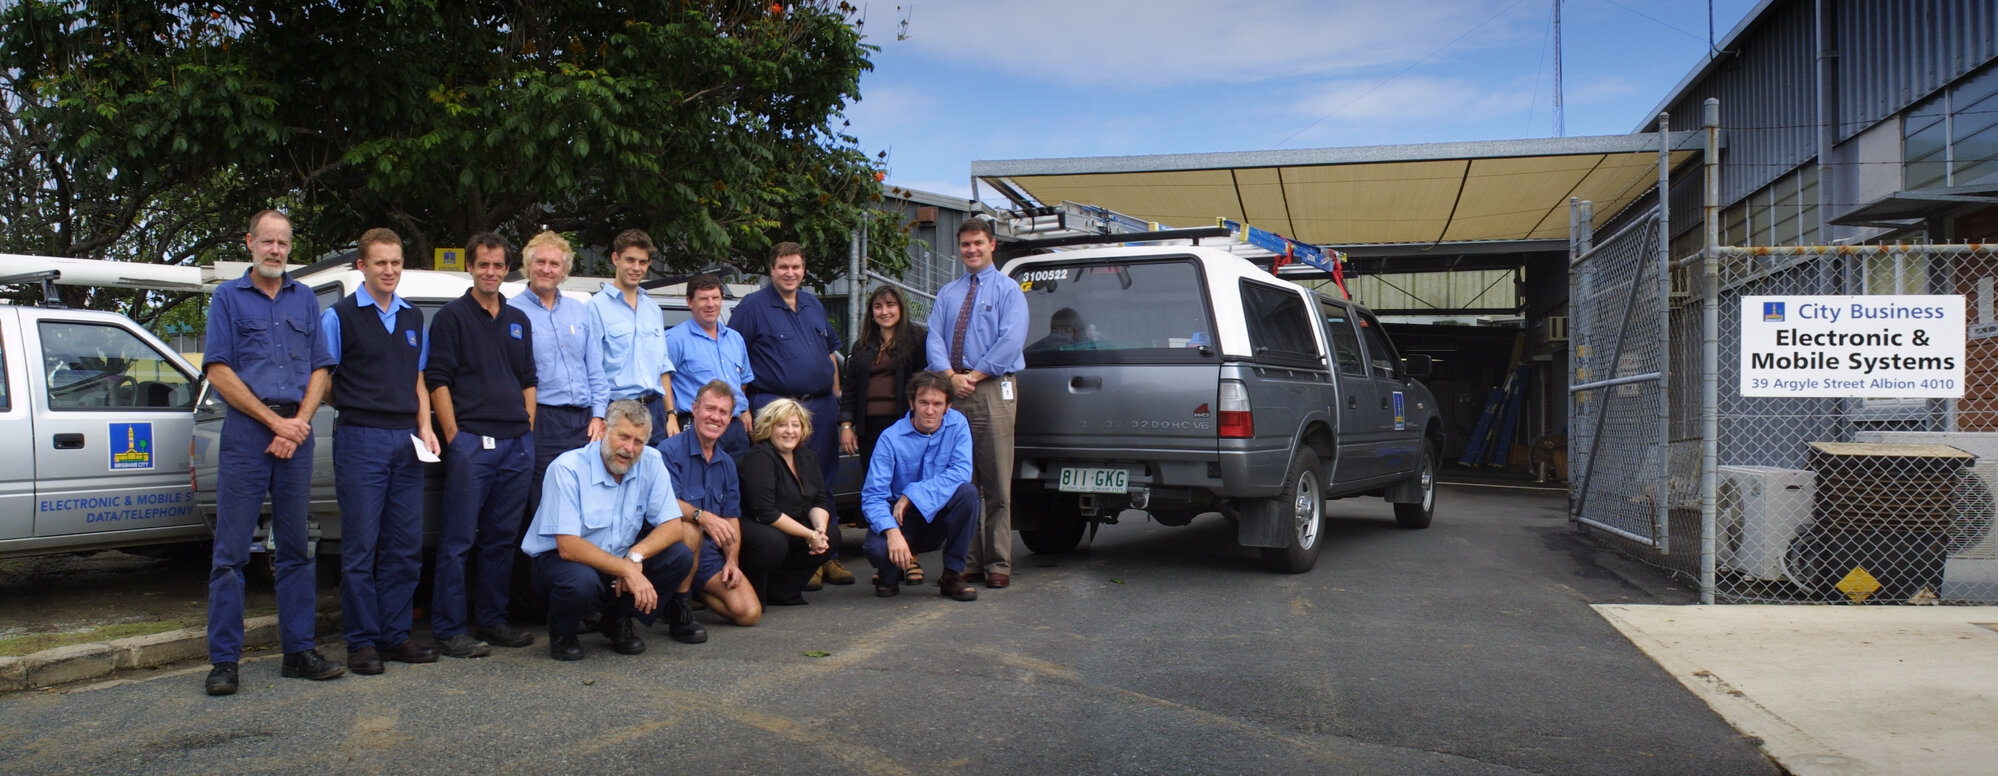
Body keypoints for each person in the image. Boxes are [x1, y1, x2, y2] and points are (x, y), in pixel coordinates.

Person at [201, 209, 343, 695]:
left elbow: (322, 368)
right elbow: (217, 370)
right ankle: (224, 662)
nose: (276, 250)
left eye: (283, 243)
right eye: (268, 241)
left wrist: (298, 423)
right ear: (250, 242)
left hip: (295, 433)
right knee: (232, 552)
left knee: (296, 548)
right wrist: (274, 422)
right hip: (247, 433)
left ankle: (298, 652)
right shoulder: (226, 298)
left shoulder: (305, 300)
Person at [319, 228, 442, 676]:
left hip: (406, 441)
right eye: (380, 263)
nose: (389, 270)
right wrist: (358, 402)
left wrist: (426, 428)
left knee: (405, 546)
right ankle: (362, 642)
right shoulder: (340, 318)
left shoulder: (412, 319)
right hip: (360, 439)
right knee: (361, 548)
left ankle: (395, 635)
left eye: (395, 262)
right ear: (362, 267)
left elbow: (418, 381)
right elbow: (324, 380)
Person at [426, 232, 538, 657]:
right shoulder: (451, 318)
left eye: (498, 265)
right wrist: (455, 437)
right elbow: (437, 380)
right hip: (473, 443)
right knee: (457, 541)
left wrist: (527, 428)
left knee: (501, 539)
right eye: (483, 265)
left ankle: (493, 621)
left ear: (507, 269)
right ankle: (449, 629)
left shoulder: (518, 320)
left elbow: (529, 379)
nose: (490, 272)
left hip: (516, 445)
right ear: (470, 267)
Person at [521, 400, 698, 660]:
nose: (629, 448)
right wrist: (626, 568)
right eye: (623, 436)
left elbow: (672, 526)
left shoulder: (652, 461)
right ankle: (563, 631)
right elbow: (568, 547)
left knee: (680, 556)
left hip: (620, 555)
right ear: (603, 430)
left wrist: (635, 556)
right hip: (562, 561)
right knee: (580, 581)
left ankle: (617, 619)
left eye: (638, 442)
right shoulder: (566, 468)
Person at [729, 242, 853, 589]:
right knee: (784, 484)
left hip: (821, 407)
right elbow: (732, 359)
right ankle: (804, 558)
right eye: (783, 266)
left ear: (803, 269)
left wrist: (838, 400)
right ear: (771, 269)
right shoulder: (752, 308)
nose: (790, 273)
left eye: (796, 267)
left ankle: (827, 554)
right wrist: (744, 407)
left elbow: (830, 356)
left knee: (822, 481)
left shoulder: (813, 304)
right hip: (776, 407)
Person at [925, 219, 1028, 589]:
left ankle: (998, 562)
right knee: (960, 481)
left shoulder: (1009, 291)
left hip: (992, 389)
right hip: (954, 390)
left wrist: (976, 376)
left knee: (997, 481)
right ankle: (966, 561)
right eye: (966, 244)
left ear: (992, 245)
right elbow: (934, 338)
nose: (972, 250)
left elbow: (1011, 340)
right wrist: (951, 377)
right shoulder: (948, 294)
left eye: (978, 243)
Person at [507, 230, 609, 525]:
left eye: (554, 264)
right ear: (528, 265)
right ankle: (545, 568)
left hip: (584, 423)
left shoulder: (579, 310)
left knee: (585, 500)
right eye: (540, 262)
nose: (546, 269)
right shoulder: (512, 312)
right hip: (542, 421)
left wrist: (599, 415)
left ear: (564, 270)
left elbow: (595, 369)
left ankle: (581, 568)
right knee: (544, 505)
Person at [861, 371, 980, 602]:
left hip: (938, 514)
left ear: (948, 407)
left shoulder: (958, 425)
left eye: (937, 404)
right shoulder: (890, 438)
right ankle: (889, 572)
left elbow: (961, 472)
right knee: (877, 548)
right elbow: (873, 496)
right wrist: (893, 533)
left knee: (968, 494)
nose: (929, 410)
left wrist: (912, 493)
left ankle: (952, 575)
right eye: (923, 402)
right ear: (911, 403)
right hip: (901, 517)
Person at [838, 285, 930, 582]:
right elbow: (850, 389)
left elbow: (922, 384)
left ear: (900, 308)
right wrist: (847, 425)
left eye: (890, 305)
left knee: (905, 490)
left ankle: (910, 555)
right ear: (871, 312)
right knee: (878, 492)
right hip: (870, 431)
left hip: (904, 428)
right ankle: (887, 564)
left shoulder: (917, 340)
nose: (885, 311)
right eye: (878, 306)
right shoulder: (862, 345)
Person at [655, 380, 765, 629]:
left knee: (749, 613)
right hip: (672, 549)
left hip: (707, 556)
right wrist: (701, 515)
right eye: (710, 408)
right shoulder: (668, 452)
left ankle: (695, 592)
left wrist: (731, 561)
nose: (715, 417)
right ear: (694, 409)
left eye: (723, 412)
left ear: (729, 419)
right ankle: (679, 608)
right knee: (690, 528)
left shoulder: (726, 463)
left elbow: (731, 518)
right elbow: (662, 504)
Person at [734, 398, 834, 606]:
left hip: (789, 525)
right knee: (773, 541)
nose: (790, 431)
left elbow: (819, 500)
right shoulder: (759, 457)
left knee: (832, 534)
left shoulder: (808, 457)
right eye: (782, 425)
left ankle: (781, 591)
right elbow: (766, 512)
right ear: (768, 428)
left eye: (795, 425)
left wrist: (820, 531)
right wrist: (809, 534)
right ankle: (753, 590)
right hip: (756, 526)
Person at [589, 229, 678, 446]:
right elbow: (593, 370)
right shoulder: (595, 307)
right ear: (615, 258)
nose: (636, 268)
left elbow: (662, 367)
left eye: (643, 262)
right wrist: (597, 416)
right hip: (617, 409)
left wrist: (671, 414)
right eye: (630, 260)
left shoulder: (653, 309)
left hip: (655, 411)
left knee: (652, 476)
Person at [664, 274, 753, 458]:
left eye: (715, 298)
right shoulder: (675, 339)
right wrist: (671, 416)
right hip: (698, 425)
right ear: (690, 302)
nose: (710, 304)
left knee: (736, 482)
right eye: (703, 298)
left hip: (735, 427)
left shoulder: (735, 339)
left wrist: (743, 410)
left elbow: (742, 381)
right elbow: (663, 381)